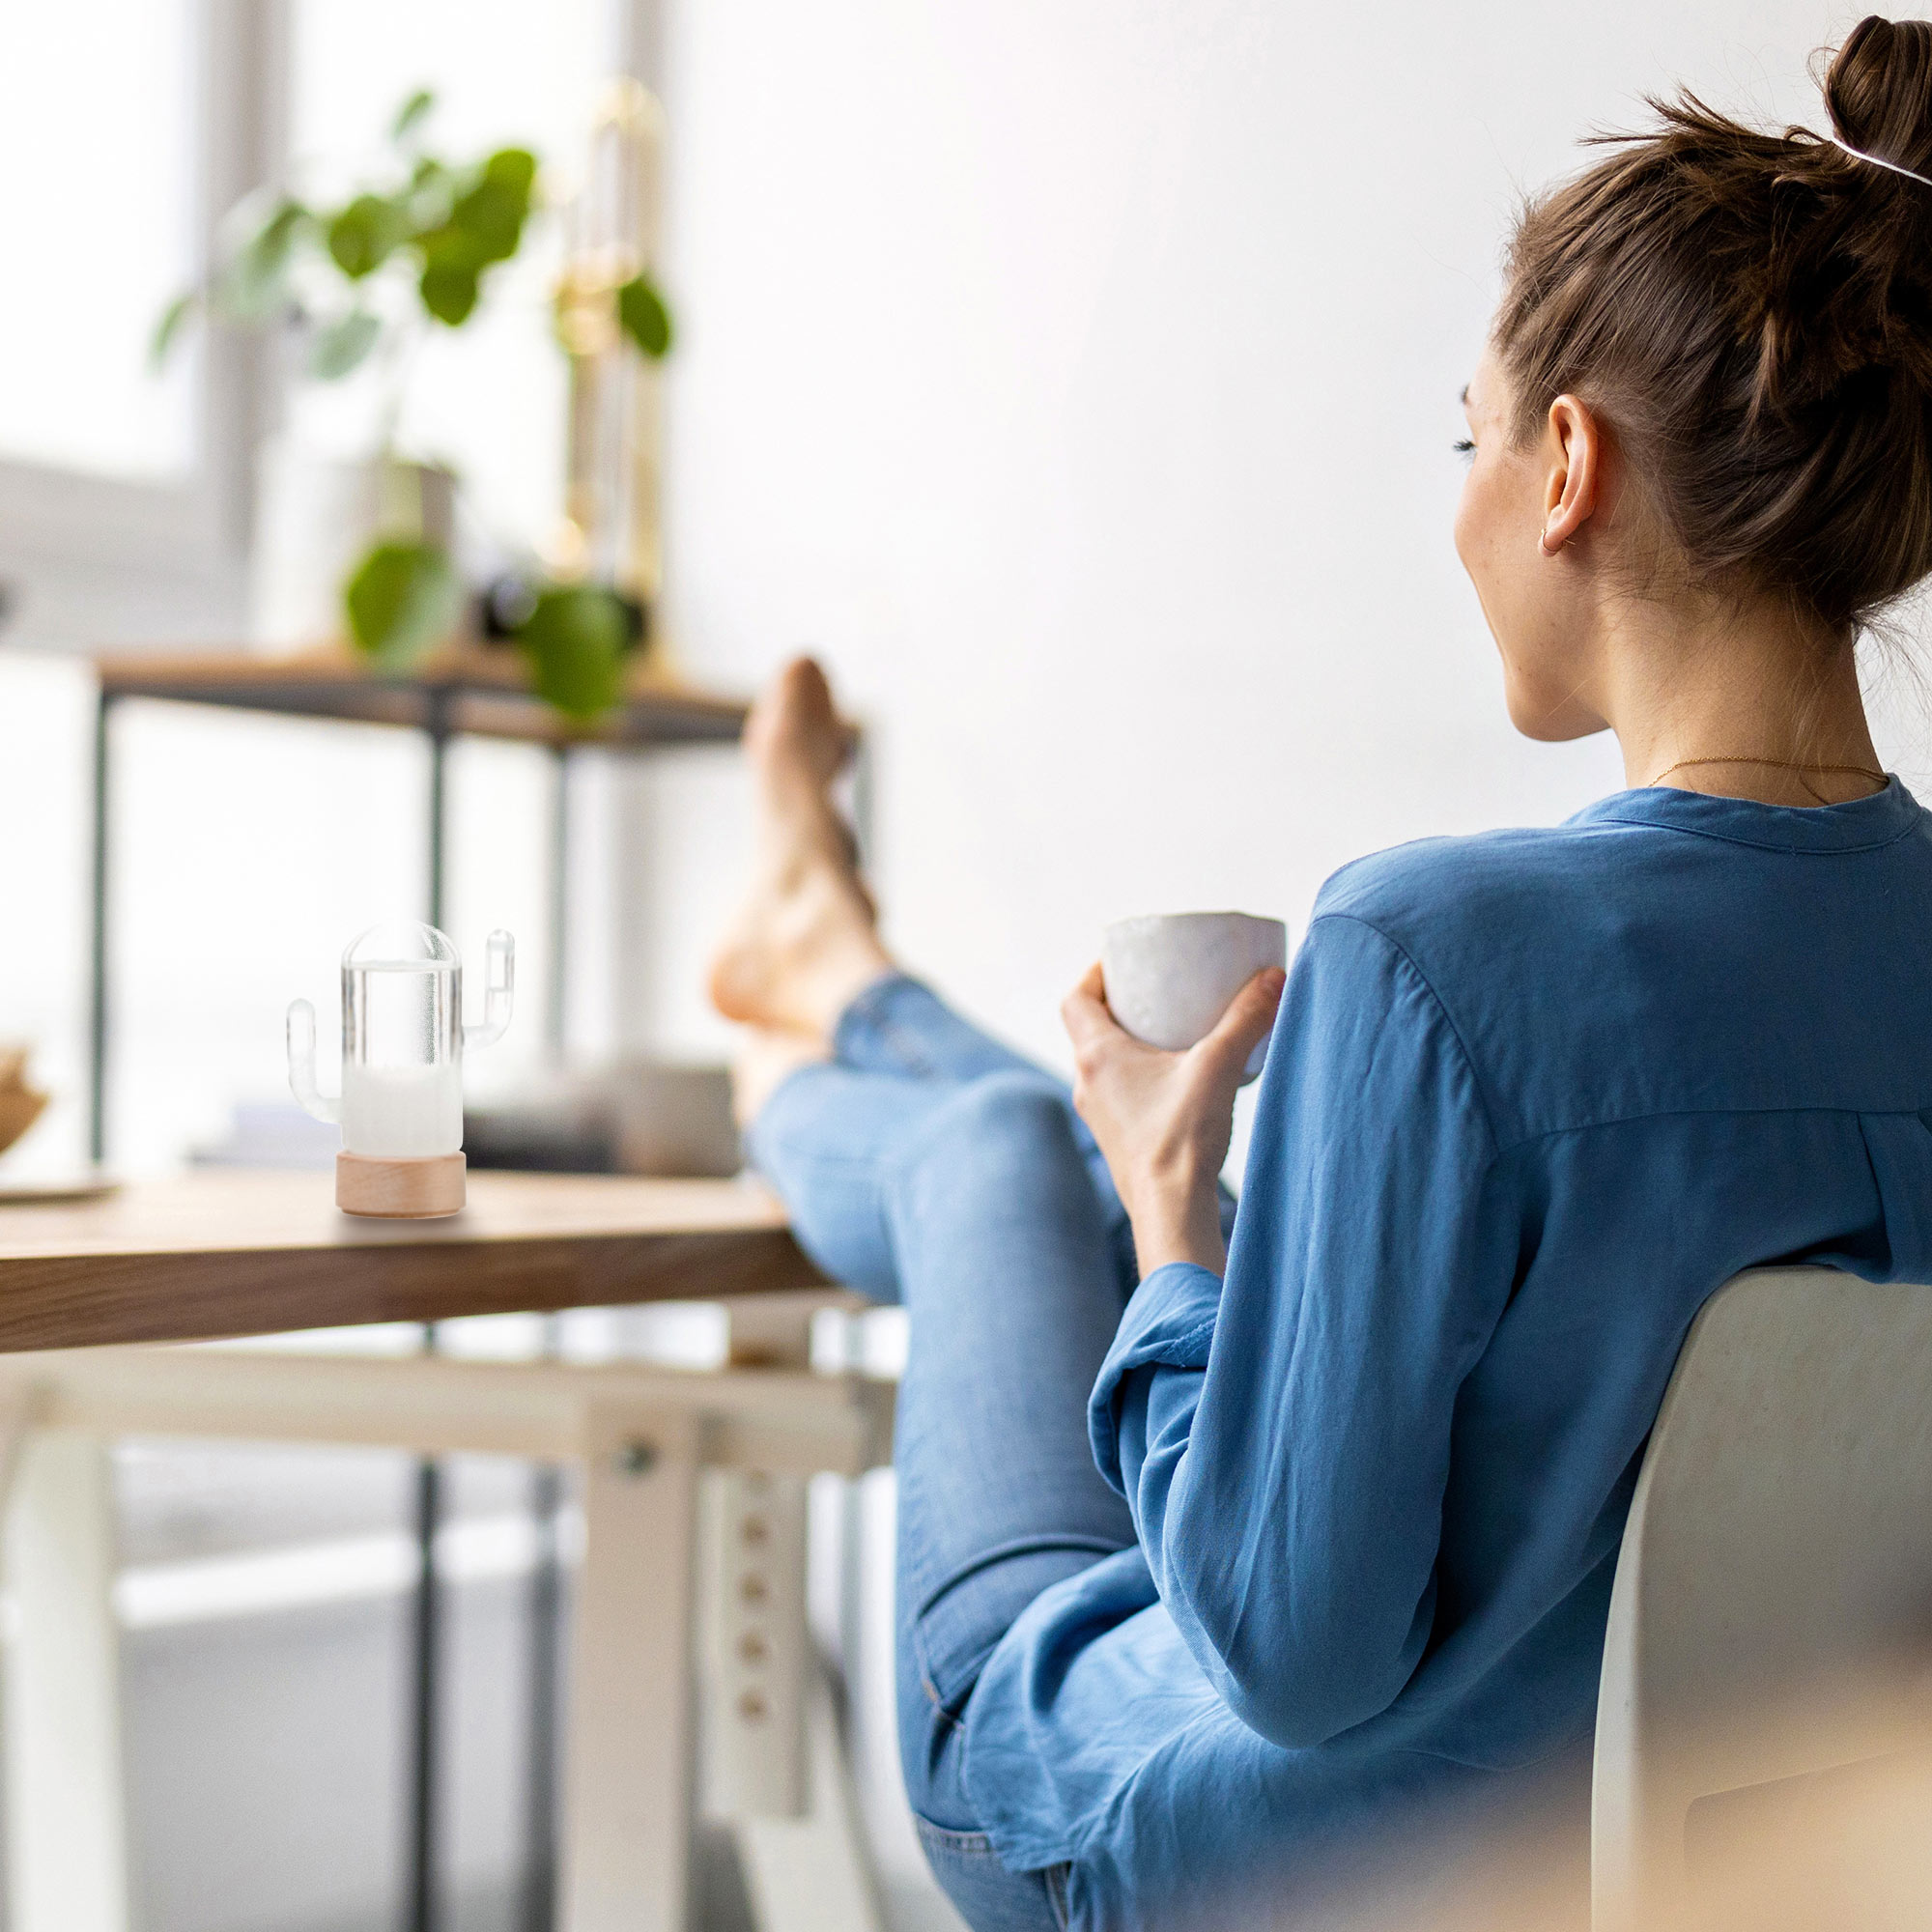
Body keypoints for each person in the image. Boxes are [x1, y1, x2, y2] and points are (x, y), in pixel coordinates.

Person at [707, 17, 1932, 1929]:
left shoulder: (1431, 955)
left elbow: (1289, 1650)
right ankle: (836, 963)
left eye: (1468, 437)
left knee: (999, 1158)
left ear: (1564, 468)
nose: (1454, 508)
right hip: (1764, 1863)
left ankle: (822, 1007)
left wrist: (1178, 1228)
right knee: (1063, 1148)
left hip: (1295, 1854)